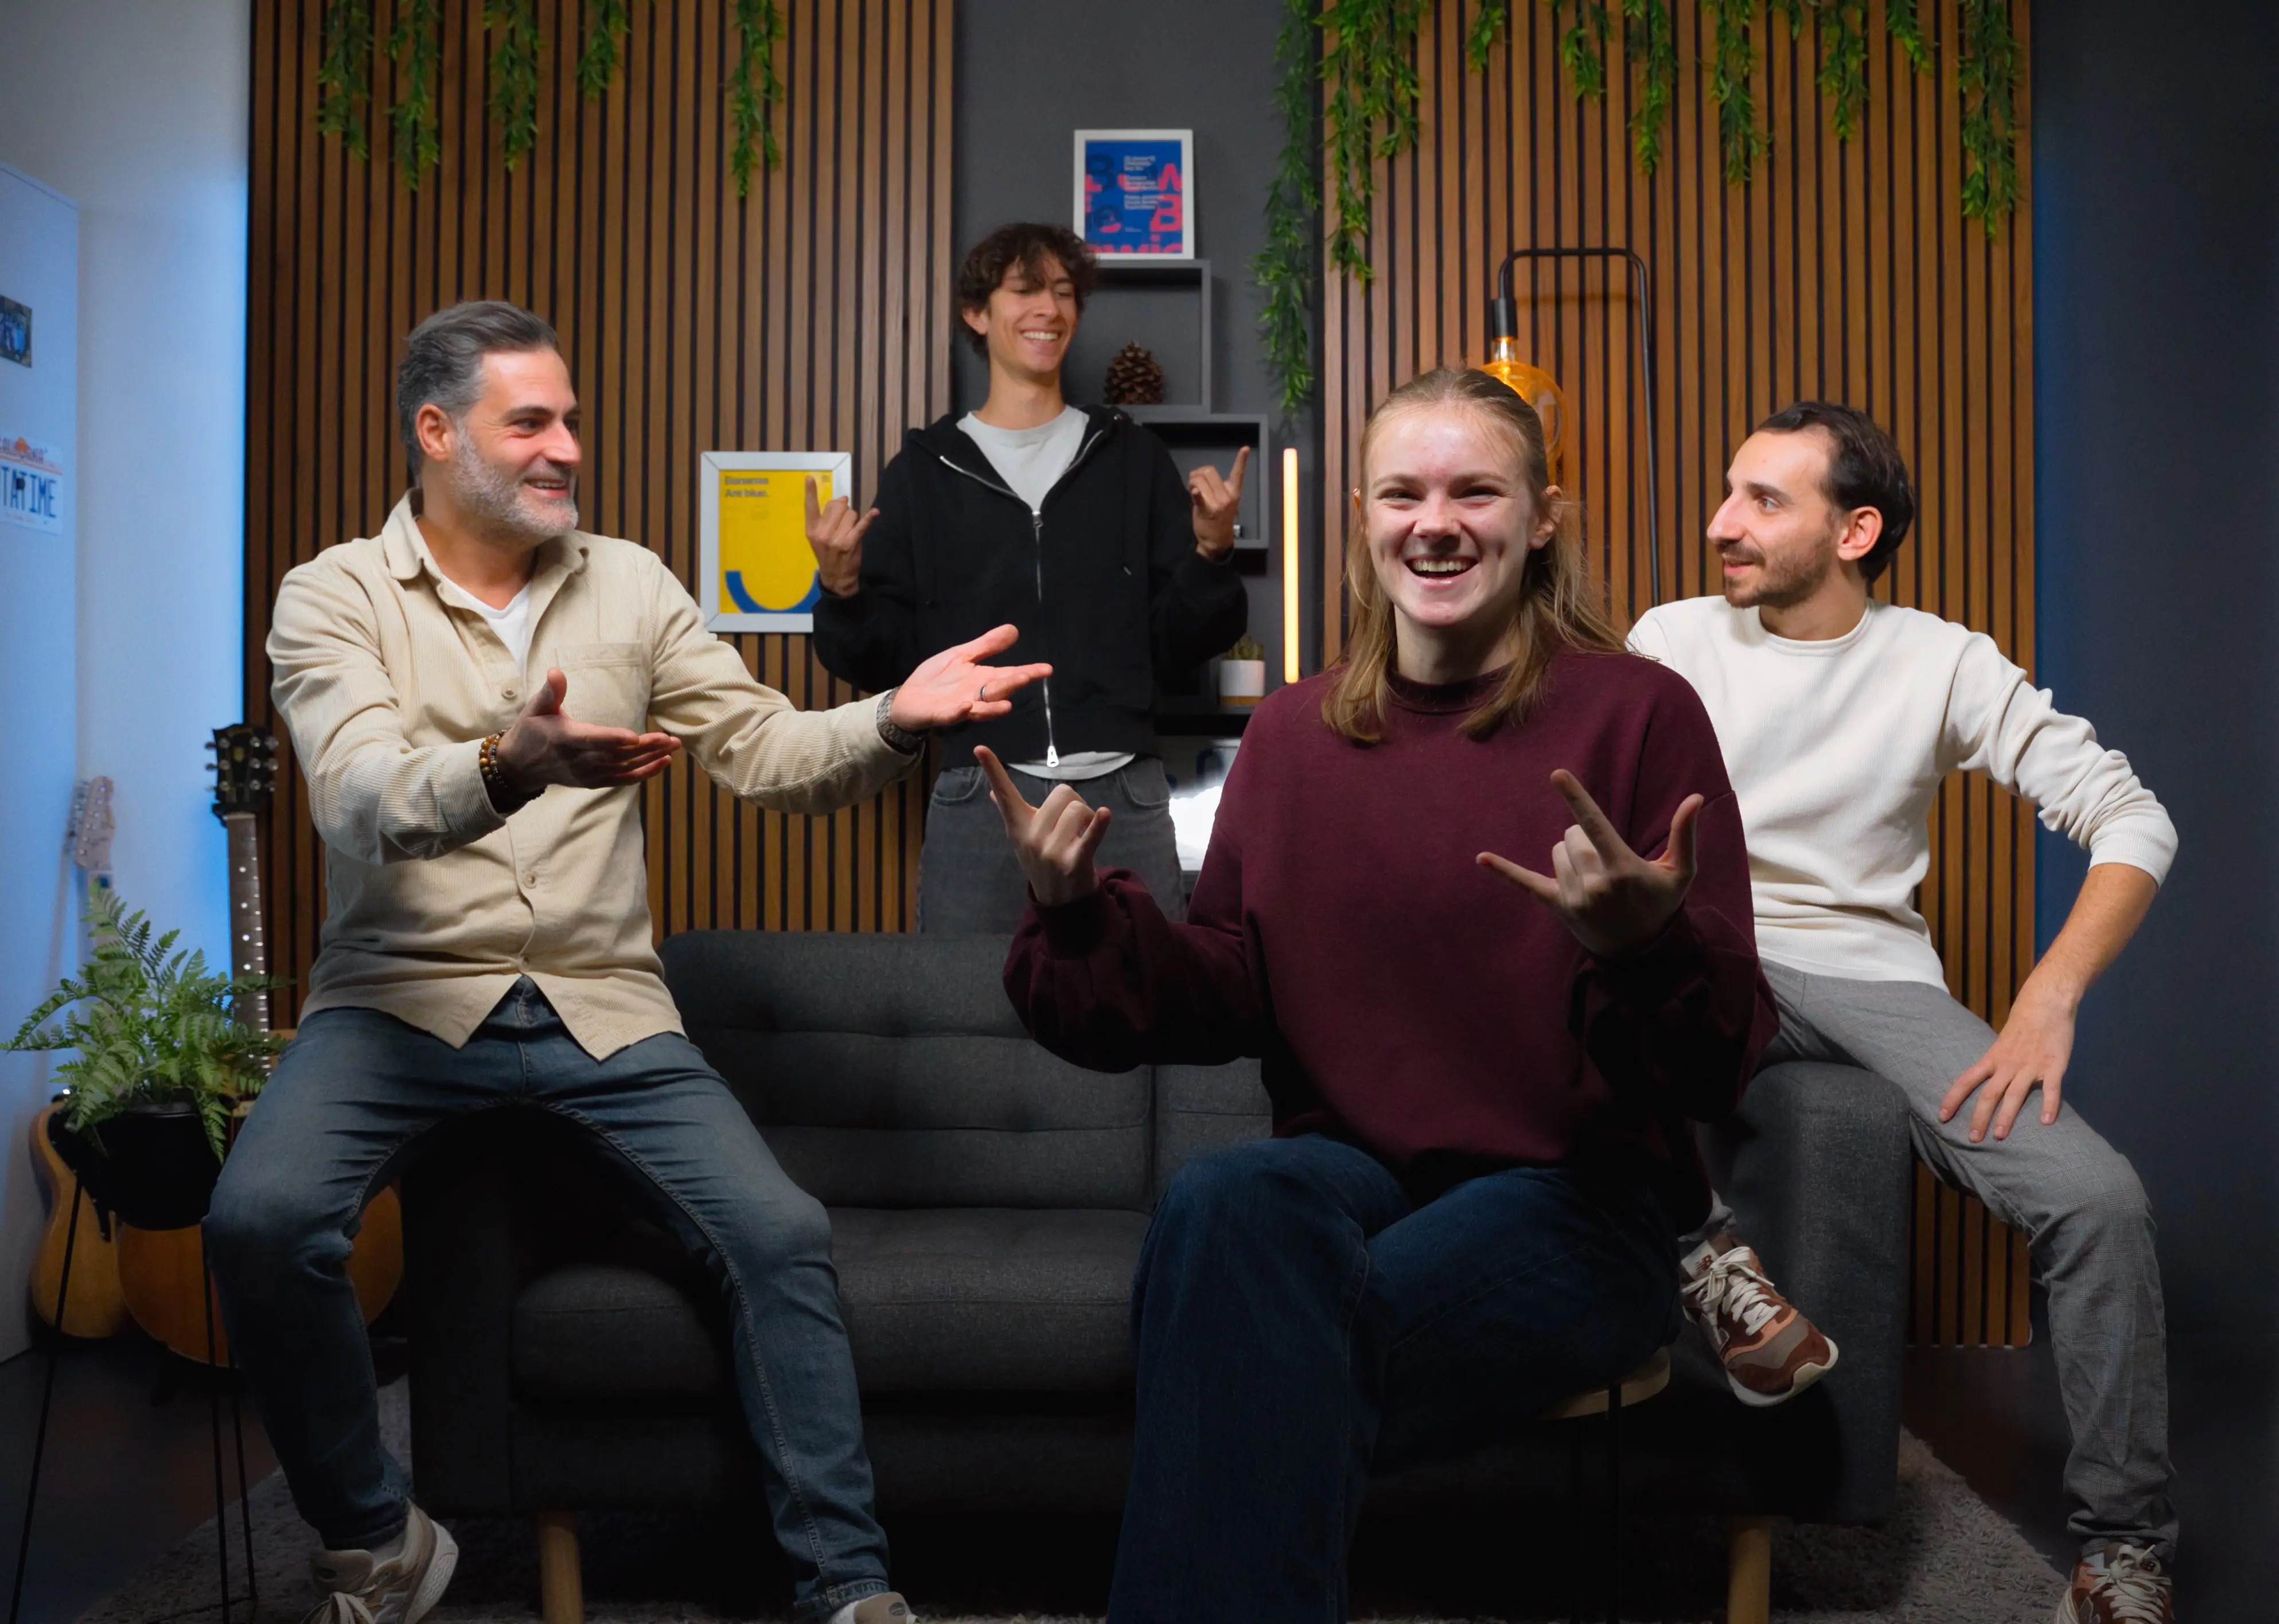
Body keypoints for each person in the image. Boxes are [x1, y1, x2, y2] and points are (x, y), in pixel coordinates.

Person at [206, 300, 1046, 1624]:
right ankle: (376, 1532)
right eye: (528, 421)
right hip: (397, 1002)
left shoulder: (633, 584)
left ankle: (848, 1583)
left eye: (572, 420)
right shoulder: (333, 595)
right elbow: (357, 796)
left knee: (778, 1231)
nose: (564, 448)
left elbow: (766, 755)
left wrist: (892, 713)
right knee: (259, 1220)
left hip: (603, 1006)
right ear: (435, 432)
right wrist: (503, 763)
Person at [984, 366, 1777, 1622]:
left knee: (1241, 1360)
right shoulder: (1296, 738)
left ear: (1543, 517)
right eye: (1404, 492)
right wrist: (1081, 914)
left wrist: (1646, 948)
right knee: (1225, 1199)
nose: (1437, 521)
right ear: (1361, 516)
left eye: (1477, 490)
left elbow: (1717, 1063)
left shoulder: (1638, 713)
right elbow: (1227, 987)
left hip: (1577, 1200)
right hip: (1350, 1180)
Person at [1629, 401, 2179, 1624]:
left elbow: (2135, 820)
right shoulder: (1672, 639)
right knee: (1574, 975)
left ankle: (2121, 1557)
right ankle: (1705, 1254)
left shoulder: (1941, 661)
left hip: (1875, 984)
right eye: (1729, 491)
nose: (1722, 523)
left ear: (1856, 529)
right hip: (1714, 950)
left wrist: (2047, 994)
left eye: (1764, 501)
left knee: (2097, 1201)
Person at [806, 221, 1250, 931]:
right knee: (964, 1018)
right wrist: (842, 590)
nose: (1050, 308)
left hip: (1123, 798)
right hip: (978, 788)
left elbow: (1178, 645)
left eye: (1065, 292)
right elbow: (882, 663)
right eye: (1025, 290)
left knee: (1147, 1014)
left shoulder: (1132, 458)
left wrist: (1211, 555)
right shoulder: (923, 471)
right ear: (977, 314)